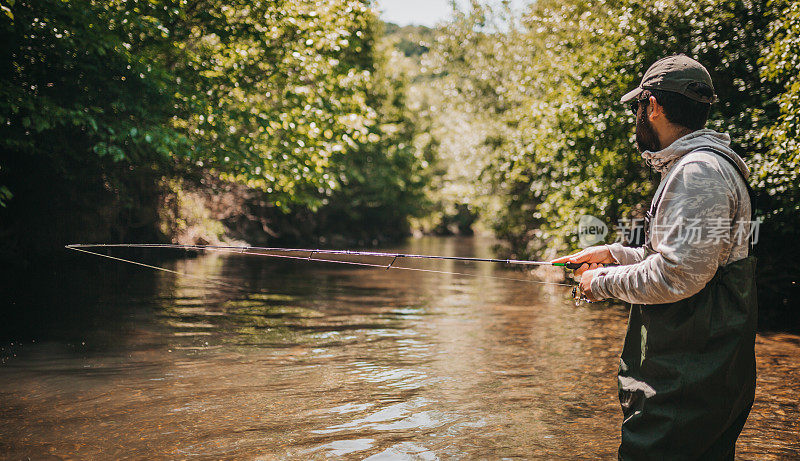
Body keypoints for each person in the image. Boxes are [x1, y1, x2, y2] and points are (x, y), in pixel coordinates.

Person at [551, 55, 757, 460]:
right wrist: (612, 254)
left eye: (637, 107)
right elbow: (687, 258)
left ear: (654, 105)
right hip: (700, 375)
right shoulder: (697, 167)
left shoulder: (698, 172)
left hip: (688, 381)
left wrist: (601, 282)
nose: (637, 117)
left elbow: (679, 274)